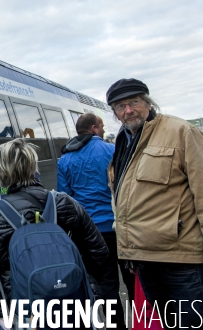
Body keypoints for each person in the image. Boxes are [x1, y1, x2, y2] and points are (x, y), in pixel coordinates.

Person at [106, 78, 203, 329]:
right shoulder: (122, 140)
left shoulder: (181, 132)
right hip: (146, 263)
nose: (128, 110)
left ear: (147, 102)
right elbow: (123, 201)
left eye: (134, 102)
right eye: (120, 106)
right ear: (114, 113)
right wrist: (130, 253)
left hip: (183, 264)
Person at [0, 138, 109, 314]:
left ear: (0, 172)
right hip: (72, 304)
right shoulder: (64, 202)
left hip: (21, 312)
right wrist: (90, 288)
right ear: (34, 167)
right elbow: (99, 252)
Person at [57, 112, 128, 329]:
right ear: (94, 128)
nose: (104, 129)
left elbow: (65, 198)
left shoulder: (65, 159)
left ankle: (115, 325)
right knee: (134, 280)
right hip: (119, 229)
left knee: (105, 284)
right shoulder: (113, 150)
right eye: (102, 126)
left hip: (88, 234)